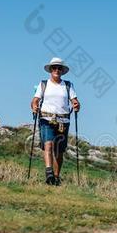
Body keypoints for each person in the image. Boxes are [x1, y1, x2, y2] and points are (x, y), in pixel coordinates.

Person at [30, 57, 81, 185]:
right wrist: (34, 106)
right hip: (46, 118)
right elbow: (35, 100)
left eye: (59, 68)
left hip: (63, 121)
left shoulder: (68, 85)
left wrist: (76, 105)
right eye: (54, 68)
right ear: (50, 70)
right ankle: (49, 173)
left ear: (62, 71)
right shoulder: (43, 84)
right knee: (48, 145)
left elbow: (75, 101)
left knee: (59, 151)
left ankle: (56, 178)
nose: (57, 70)